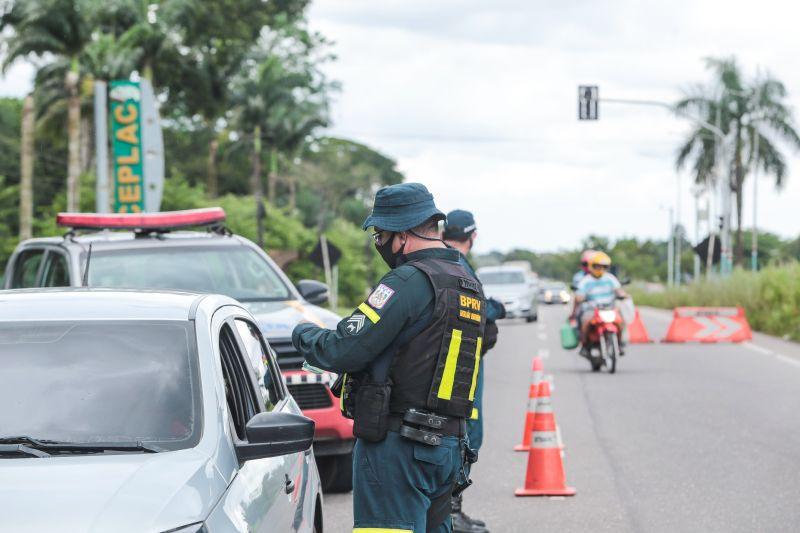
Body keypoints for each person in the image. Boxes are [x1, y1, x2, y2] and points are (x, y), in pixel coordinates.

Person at [292, 183, 486, 533]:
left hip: (399, 450)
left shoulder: (408, 281)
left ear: (402, 235)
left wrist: (302, 333)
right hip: (448, 449)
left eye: (380, 234)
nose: (379, 242)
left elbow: (342, 348)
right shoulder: (467, 283)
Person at [442, 210, 503, 533]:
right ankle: (450, 513)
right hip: (461, 361)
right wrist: (496, 309)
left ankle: (452, 511)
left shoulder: (440, 258)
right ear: (473, 236)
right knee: (467, 433)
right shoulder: (457, 263)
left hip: (455, 357)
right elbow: (475, 304)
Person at [571, 251, 628, 356]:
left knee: (620, 322)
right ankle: (584, 345)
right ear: (591, 266)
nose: (600, 269)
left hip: (609, 308)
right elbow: (579, 295)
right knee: (586, 322)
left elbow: (619, 290)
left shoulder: (610, 278)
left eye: (603, 267)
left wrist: (623, 295)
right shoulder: (586, 280)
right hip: (592, 309)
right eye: (597, 266)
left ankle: (619, 344)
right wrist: (580, 298)